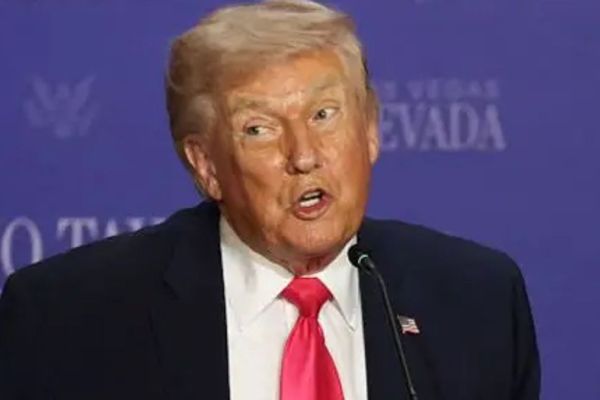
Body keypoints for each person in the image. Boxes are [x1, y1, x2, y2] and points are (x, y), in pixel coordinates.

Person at [0, 1, 540, 399]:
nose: (304, 154)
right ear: (206, 166)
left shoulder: (477, 303)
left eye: (324, 114)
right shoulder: (70, 320)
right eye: (258, 129)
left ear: (371, 129)